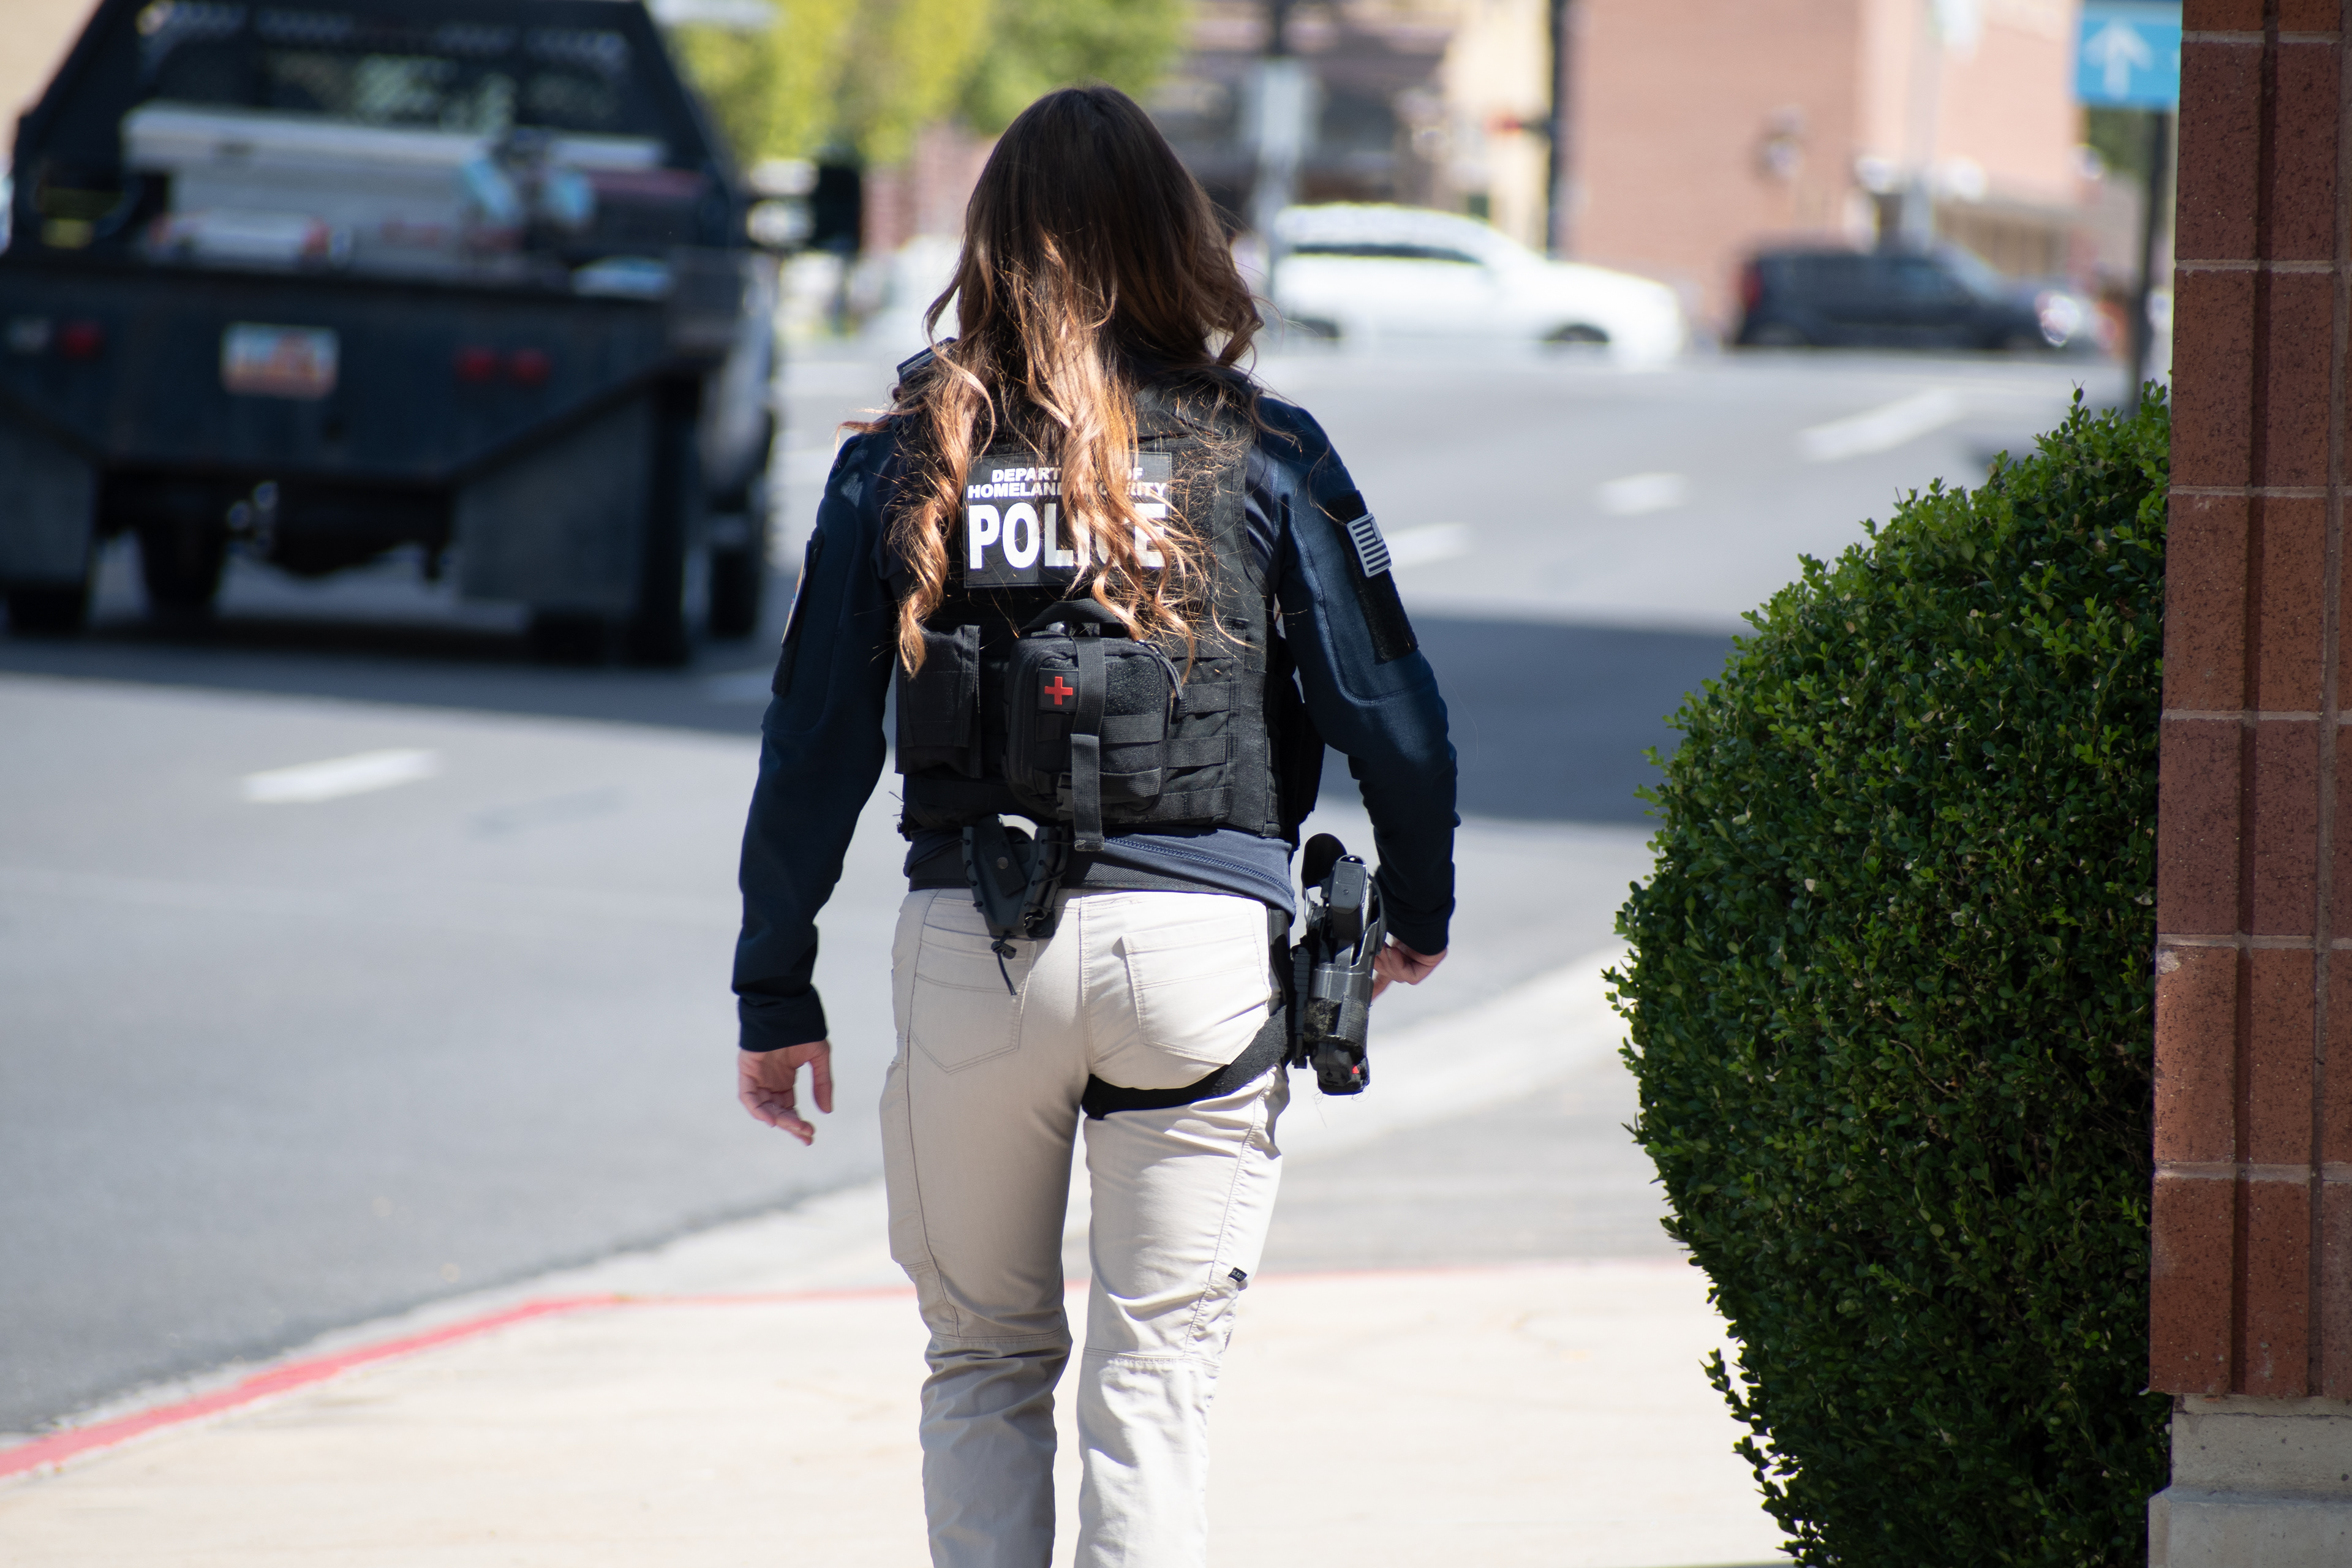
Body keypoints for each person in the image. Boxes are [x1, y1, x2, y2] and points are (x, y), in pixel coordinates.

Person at [729, 85, 1455, 1568]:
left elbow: (812, 745)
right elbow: (1395, 713)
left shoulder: (898, 460)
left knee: (985, 1361)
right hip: (1200, 961)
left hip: (972, 958)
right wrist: (1422, 910)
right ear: (1174, 238)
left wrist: (773, 983)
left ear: (987, 247)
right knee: (1154, 1388)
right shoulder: (1267, 452)